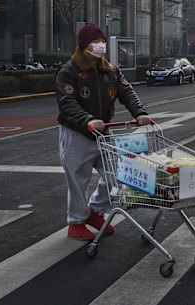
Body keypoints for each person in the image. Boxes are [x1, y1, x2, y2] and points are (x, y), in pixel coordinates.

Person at [55, 23, 151, 241]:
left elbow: (126, 92)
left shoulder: (110, 70)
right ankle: (76, 222)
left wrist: (140, 113)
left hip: (103, 133)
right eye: (94, 42)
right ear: (83, 46)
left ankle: (95, 210)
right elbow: (67, 103)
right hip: (77, 133)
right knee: (78, 180)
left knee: (119, 174)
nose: (99, 46)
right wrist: (87, 120)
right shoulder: (68, 72)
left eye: (101, 42)